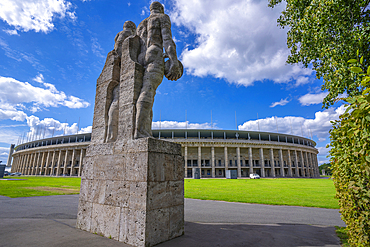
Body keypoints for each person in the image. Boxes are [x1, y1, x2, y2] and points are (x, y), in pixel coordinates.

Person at [134, 1, 182, 139]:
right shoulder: (162, 17)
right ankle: (141, 132)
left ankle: (141, 130)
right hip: (155, 51)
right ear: (161, 9)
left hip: (141, 57)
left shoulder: (140, 25)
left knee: (140, 92)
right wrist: (173, 60)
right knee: (148, 91)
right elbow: (167, 40)